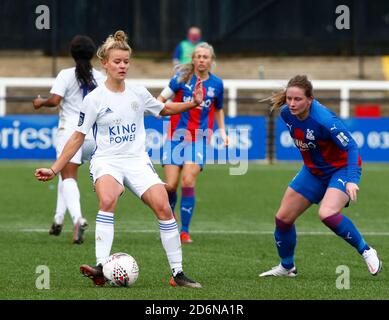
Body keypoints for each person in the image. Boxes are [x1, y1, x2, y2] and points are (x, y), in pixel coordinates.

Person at [34, 30, 203, 288]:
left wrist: (192, 104)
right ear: (105, 63)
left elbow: (164, 109)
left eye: (126, 61)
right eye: (117, 61)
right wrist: (55, 169)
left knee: (164, 207)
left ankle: (178, 274)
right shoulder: (94, 99)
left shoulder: (137, 91)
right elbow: (77, 137)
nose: (122, 66)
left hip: (137, 161)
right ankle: (101, 268)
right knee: (108, 198)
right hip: (107, 161)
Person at [259, 75, 382, 277]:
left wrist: (351, 179)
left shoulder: (324, 120)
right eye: (289, 98)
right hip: (313, 171)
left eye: (297, 99)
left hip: (341, 169)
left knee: (327, 213)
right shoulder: (285, 114)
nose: (291, 103)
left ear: (310, 99)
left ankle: (366, 250)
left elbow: (351, 145)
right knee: (282, 219)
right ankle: (287, 267)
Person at [33, 35, 105, 244]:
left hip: (70, 134)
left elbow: (55, 100)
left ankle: (78, 218)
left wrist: (40, 102)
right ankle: (58, 219)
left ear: (72, 53)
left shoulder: (66, 74)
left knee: (67, 177)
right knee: (66, 179)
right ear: (93, 54)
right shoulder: (100, 77)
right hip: (92, 135)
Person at [158, 42, 227, 244]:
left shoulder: (217, 85)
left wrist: (222, 132)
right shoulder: (180, 79)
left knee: (188, 180)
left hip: (199, 139)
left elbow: (218, 109)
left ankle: (185, 231)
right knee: (170, 186)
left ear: (211, 60)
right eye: (198, 56)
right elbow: (161, 99)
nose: (202, 60)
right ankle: (170, 217)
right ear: (193, 59)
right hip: (174, 138)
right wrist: (160, 107)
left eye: (206, 57)